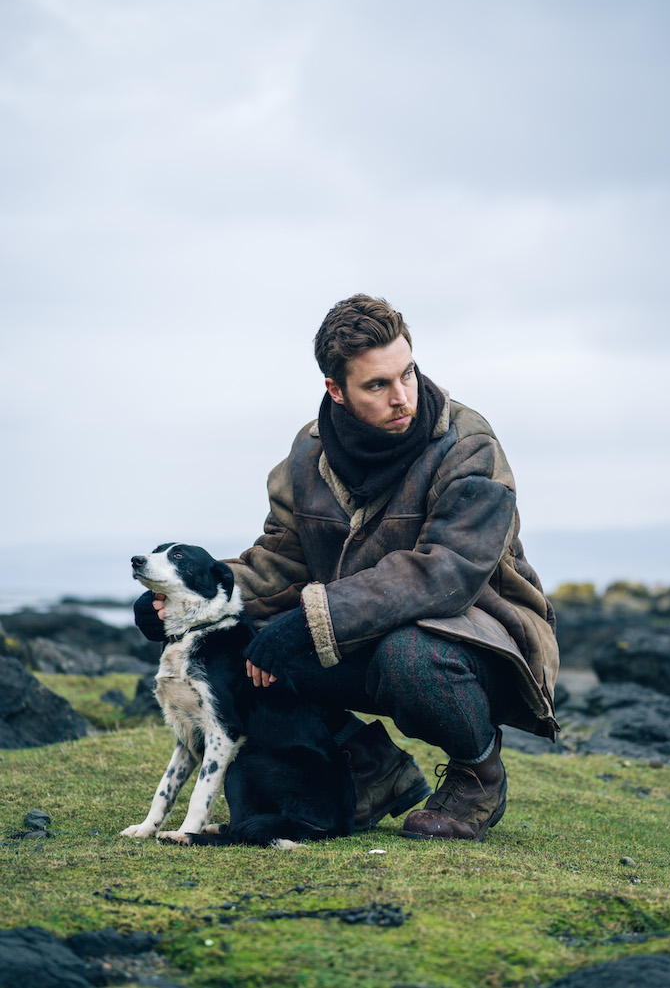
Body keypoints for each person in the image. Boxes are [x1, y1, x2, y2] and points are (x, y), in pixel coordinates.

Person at [135, 294, 559, 841]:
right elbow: (281, 558)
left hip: (482, 640)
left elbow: (447, 572)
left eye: (407, 373)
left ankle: (477, 775)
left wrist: (312, 620)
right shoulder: (308, 453)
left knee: (408, 653)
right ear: (336, 389)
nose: (402, 396)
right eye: (377, 385)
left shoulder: (468, 445)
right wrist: (188, 595)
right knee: (244, 640)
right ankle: (368, 769)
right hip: (361, 632)